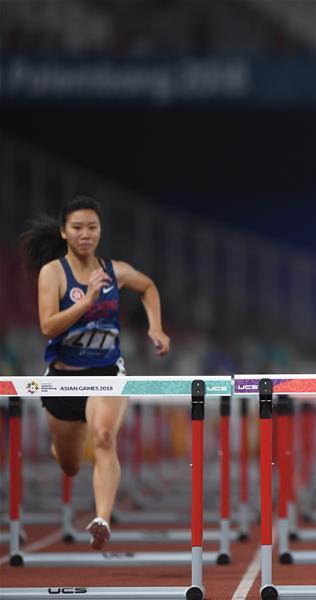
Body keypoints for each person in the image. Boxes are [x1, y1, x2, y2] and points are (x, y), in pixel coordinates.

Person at [20, 196, 171, 550]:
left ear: (100, 231)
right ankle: (63, 449)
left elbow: (147, 286)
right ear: (64, 232)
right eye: (78, 228)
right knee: (70, 465)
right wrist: (86, 301)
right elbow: (47, 326)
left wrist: (156, 327)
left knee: (103, 437)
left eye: (92, 227)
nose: (86, 234)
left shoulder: (114, 270)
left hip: (106, 372)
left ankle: (101, 518)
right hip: (63, 378)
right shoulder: (53, 273)